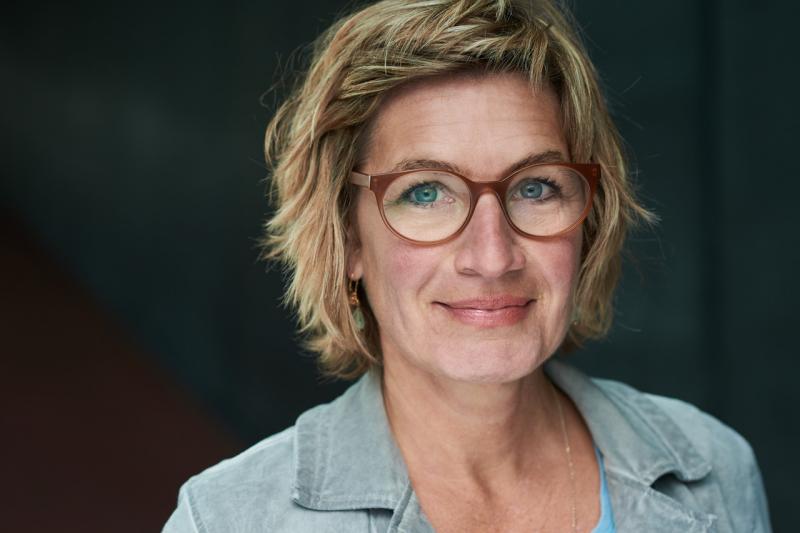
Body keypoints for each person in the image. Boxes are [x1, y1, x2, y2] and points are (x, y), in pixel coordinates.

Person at [163, 0, 771, 531]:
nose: (492, 256)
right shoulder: (227, 520)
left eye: (535, 187)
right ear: (348, 238)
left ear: (590, 219)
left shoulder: (714, 471)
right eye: (426, 192)